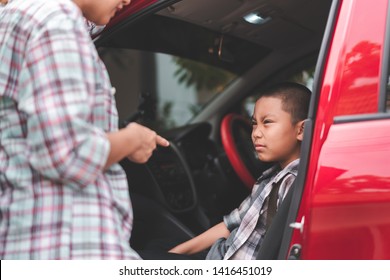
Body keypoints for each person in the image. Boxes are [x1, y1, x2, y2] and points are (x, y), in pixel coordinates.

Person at [0, 0, 169, 259]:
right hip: (67, 241)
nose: (127, 1)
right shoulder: (55, 20)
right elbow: (66, 153)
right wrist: (133, 138)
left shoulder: (18, 16)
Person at [167, 82, 311, 260]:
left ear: (302, 130)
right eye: (254, 123)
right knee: (156, 247)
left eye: (267, 122)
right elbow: (230, 225)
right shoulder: (272, 177)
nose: (256, 133)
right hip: (220, 254)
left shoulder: (291, 183)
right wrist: (176, 252)